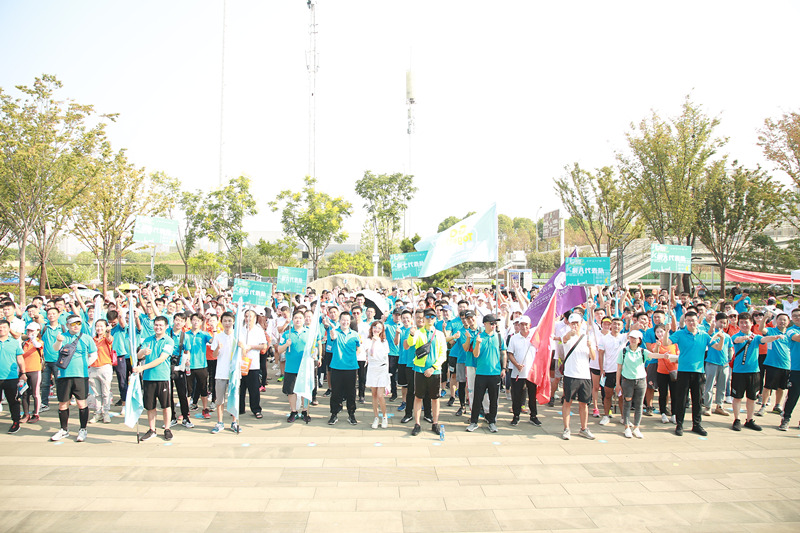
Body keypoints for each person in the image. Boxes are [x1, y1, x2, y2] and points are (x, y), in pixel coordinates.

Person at [669, 311, 726, 436]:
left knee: (697, 400)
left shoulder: (704, 335)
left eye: (693, 320)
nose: (691, 323)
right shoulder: (680, 333)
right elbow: (666, 343)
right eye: (688, 320)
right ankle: (679, 424)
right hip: (683, 371)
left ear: (697, 321)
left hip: (699, 372)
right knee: (681, 399)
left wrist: (722, 338)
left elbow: (718, 347)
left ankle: (697, 425)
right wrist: (667, 330)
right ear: (685, 321)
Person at [615, 330, 676, 438]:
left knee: (639, 405)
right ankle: (627, 427)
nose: (633, 340)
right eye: (631, 338)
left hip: (641, 380)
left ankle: (636, 427)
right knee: (627, 403)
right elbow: (619, 368)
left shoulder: (642, 351)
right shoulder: (623, 351)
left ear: (639, 340)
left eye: (635, 338)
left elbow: (653, 355)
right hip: (627, 380)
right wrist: (617, 384)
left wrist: (663, 355)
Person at [731, 313, 783, 431]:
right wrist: (744, 338)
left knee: (752, 398)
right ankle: (737, 419)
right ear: (739, 324)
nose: (744, 325)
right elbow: (737, 340)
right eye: (741, 322)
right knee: (737, 397)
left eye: (746, 322)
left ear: (751, 323)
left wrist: (775, 337)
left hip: (754, 372)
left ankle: (749, 420)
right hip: (739, 372)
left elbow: (764, 339)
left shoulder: (756, 337)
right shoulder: (736, 336)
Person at [50, 315, 97, 442]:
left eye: (78, 323)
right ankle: (64, 429)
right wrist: (58, 341)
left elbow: (94, 354)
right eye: (73, 324)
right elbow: (55, 348)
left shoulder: (86, 338)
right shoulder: (62, 336)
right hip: (64, 374)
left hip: (80, 375)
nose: (76, 326)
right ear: (67, 325)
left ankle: (83, 429)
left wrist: (86, 365)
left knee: (81, 403)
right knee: (63, 403)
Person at [133, 316, 174, 441]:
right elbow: (138, 355)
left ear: (166, 327)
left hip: (162, 377)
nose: (158, 327)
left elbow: (161, 359)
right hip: (148, 378)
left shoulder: (168, 341)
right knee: (150, 406)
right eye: (156, 325)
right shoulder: (148, 339)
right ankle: (152, 429)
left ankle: (167, 428)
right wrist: (143, 352)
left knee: (166, 405)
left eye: (161, 325)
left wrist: (142, 367)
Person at [408, 308, 447, 436]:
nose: (430, 319)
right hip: (419, 369)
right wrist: (411, 334)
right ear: (423, 318)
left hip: (434, 371)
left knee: (435, 398)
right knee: (418, 397)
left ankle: (435, 423)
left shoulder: (439, 334)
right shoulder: (419, 332)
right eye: (427, 316)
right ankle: (417, 423)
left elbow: (443, 355)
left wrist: (433, 368)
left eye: (432, 317)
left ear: (435, 318)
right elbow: (411, 343)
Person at [466, 313, 506, 433]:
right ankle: (474, 421)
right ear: (485, 324)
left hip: (495, 373)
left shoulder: (499, 337)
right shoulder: (479, 337)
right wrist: (478, 343)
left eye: (495, 323)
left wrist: (504, 368)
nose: (494, 325)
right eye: (491, 323)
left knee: (494, 399)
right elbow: (475, 354)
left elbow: (503, 353)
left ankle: (492, 421)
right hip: (481, 373)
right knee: (478, 398)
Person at [560, 312, 597, 440]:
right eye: (572, 323)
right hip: (570, 374)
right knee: (567, 401)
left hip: (585, 375)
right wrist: (570, 334)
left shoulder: (587, 338)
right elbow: (564, 339)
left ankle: (584, 428)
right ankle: (566, 428)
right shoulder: (567, 336)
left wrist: (590, 347)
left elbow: (593, 357)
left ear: (581, 323)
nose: (575, 325)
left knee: (584, 403)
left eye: (577, 323)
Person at [325, 311, 361, 425]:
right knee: (336, 392)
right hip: (337, 367)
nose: (345, 322)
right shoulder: (334, 332)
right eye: (343, 320)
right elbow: (332, 340)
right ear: (339, 321)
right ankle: (334, 414)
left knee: (351, 393)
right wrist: (332, 335)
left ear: (350, 321)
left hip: (351, 368)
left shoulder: (355, 334)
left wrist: (352, 358)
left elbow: (358, 347)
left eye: (347, 320)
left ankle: (351, 414)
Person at [210, 311, 241, 433]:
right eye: (225, 321)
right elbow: (214, 355)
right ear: (221, 322)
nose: (227, 323)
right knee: (219, 400)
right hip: (221, 372)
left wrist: (242, 346)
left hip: (234, 373)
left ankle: (234, 422)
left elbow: (244, 353)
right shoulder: (218, 337)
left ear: (233, 322)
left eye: (229, 321)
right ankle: (220, 422)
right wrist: (218, 347)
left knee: (234, 398)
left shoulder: (238, 336)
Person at [507, 315, 541, 426]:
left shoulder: (534, 337)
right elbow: (510, 354)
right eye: (521, 324)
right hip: (517, 372)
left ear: (529, 325)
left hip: (531, 373)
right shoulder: (514, 338)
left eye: (526, 324)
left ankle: (533, 416)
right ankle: (516, 416)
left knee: (532, 395)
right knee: (516, 395)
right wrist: (516, 365)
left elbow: (539, 353)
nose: (523, 327)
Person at [757, 312, 792, 417]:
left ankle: (777, 406)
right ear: (776, 321)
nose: (782, 322)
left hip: (786, 364)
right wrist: (765, 318)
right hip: (772, 364)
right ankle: (763, 406)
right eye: (780, 319)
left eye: (784, 320)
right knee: (768, 386)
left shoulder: (790, 334)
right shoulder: (771, 331)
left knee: (781, 387)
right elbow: (761, 329)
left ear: (788, 322)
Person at [277, 310, 310, 423]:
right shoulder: (287, 334)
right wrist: (286, 344)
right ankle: (293, 411)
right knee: (291, 391)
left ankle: (305, 411)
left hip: (304, 367)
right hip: (291, 367)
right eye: (296, 318)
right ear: (292, 320)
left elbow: (314, 348)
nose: (298, 320)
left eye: (300, 318)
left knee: (305, 391)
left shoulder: (309, 333)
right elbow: (279, 349)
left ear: (304, 320)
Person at [238, 309, 267, 419]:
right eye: (246, 316)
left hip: (253, 364)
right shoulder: (240, 330)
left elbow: (264, 346)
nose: (248, 319)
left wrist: (251, 347)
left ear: (255, 318)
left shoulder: (258, 331)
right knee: (240, 388)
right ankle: (239, 408)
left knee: (254, 389)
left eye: (250, 316)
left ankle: (256, 409)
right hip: (240, 363)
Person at [597, 317, 626, 426]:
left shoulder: (624, 337)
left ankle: (624, 417)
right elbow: (601, 354)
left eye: (619, 324)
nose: (616, 326)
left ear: (622, 326)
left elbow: (634, 330)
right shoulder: (604, 338)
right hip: (609, 370)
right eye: (614, 324)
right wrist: (602, 369)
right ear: (611, 325)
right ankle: (606, 415)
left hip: (622, 371)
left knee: (622, 395)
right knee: (608, 394)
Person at [703, 312, 732, 417]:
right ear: (716, 322)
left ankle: (719, 405)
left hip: (724, 364)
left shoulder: (727, 336)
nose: (722, 325)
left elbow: (730, 349)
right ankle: (708, 406)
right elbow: (709, 334)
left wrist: (729, 359)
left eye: (725, 323)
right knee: (709, 386)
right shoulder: (711, 334)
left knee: (722, 386)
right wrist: (712, 328)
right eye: (721, 322)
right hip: (712, 362)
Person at [0, 319, 26, 434]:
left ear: (8, 329)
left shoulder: (14, 342)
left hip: (10, 377)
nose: (1, 329)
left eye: (4, 327)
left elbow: (20, 359)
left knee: (13, 401)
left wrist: (23, 373)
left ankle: (16, 422)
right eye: (0, 327)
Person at [185, 313, 213, 419]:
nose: (196, 322)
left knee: (203, 388)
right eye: (194, 320)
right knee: (188, 390)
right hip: (188, 366)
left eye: (198, 320)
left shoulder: (204, 334)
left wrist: (214, 329)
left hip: (201, 365)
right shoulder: (185, 334)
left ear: (201, 322)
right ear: (190, 321)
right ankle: (185, 410)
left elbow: (213, 342)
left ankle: (205, 409)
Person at [365, 320, 390, 429]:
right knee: (374, 395)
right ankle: (376, 417)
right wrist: (374, 342)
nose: (376, 330)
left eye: (379, 328)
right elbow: (370, 353)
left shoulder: (384, 341)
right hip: (372, 368)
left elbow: (385, 357)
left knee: (380, 395)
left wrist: (387, 374)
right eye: (375, 327)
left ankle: (384, 416)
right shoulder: (368, 340)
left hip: (382, 369)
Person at [89, 319, 115, 424]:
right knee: (97, 393)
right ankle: (98, 412)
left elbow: (109, 338)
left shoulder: (107, 338)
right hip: (93, 368)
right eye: (97, 326)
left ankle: (106, 413)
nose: (99, 328)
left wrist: (108, 332)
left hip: (105, 367)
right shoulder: (92, 340)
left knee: (105, 392)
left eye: (101, 326)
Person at [20, 322, 43, 423]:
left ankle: (36, 414)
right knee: (24, 393)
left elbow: (38, 345)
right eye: (28, 330)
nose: (29, 332)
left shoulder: (39, 342)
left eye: (32, 330)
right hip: (24, 371)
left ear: (37, 331)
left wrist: (34, 339)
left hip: (35, 370)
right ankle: (26, 414)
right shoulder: (24, 343)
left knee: (35, 393)